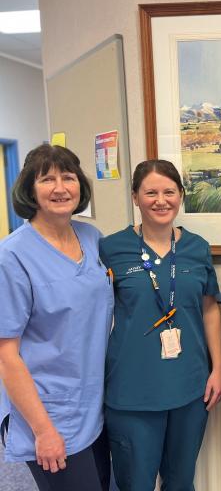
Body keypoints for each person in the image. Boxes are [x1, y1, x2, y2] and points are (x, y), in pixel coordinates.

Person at [99, 159, 221, 490]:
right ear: (135, 197)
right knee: (136, 483)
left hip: (189, 385)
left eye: (169, 191)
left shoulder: (197, 248)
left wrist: (217, 368)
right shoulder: (111, 249)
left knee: (181, 481)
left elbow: (209, 307)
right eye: (150, 192)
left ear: (180, 195)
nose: (161, 200)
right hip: (132, 391)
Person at [0, 144, 113, 491]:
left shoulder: (92, 238)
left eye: (68, 177)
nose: (61, 187)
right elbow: (6, 354)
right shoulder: (12, 255)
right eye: (47, 179)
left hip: (93, 405)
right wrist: (43, 430)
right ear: (29, 190)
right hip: (49, 413)